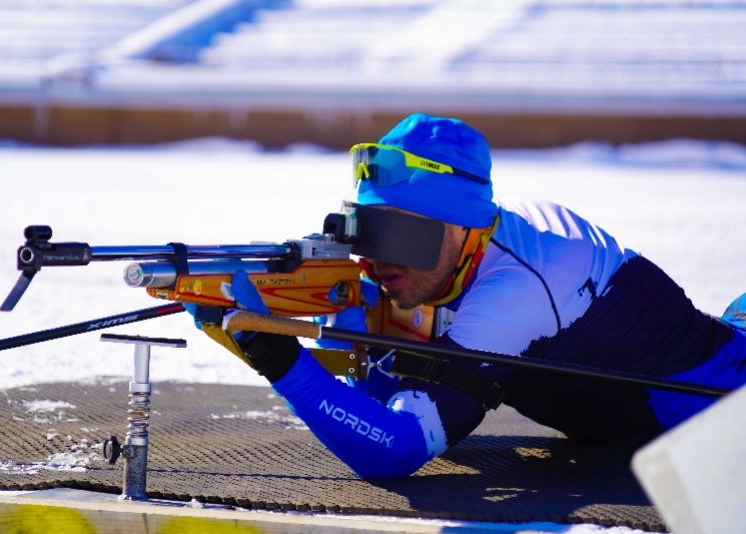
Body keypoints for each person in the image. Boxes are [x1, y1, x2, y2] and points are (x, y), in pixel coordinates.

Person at [193, 114, 746, 479]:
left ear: (460, 228)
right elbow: (381, 384)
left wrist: (282, 361)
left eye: (403, 236)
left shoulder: (515, 295)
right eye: (367, 230)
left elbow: (395, 447)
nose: (375, 260)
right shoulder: (475, 245)